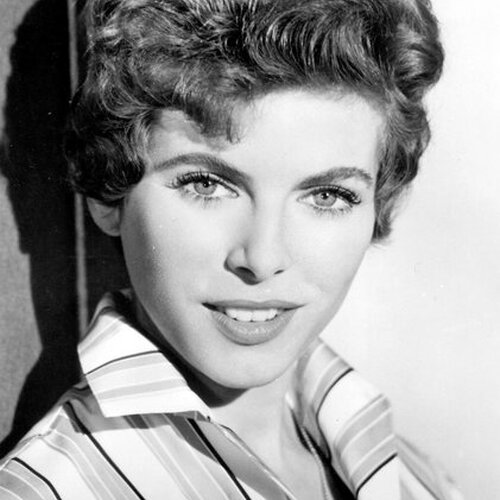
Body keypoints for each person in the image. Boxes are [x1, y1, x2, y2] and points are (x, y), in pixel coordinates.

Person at [0, 0, 462, 498]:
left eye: (328, 196)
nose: (262, 259)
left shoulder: (412, 475)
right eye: (207, 185)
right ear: (109, 194)